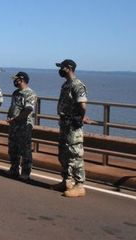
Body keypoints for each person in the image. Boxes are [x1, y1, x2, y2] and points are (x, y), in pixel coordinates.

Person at [52, 59, 88, 197]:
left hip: (73, 125)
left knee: (75, 154)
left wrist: (78, 118)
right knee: (63, 153)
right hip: (64, 124)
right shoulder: (66, 84)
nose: (60, 70)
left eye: (62, 67)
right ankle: (66, 181)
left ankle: (79, 186)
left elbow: (83, 105)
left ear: (69, 68)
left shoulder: (77, 85)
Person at [6, 72, 37, 180]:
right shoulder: (16, 93)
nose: (15, 81)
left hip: (24, 125)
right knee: (13, 147)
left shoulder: (30, 93)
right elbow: (14, 107)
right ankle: (14, 169)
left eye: (17, 79)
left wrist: (17, 118)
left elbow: (28, 109)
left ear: (22, 80)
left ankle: (25, 172)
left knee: (25, 149)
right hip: (14, 124)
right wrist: (10, 117)